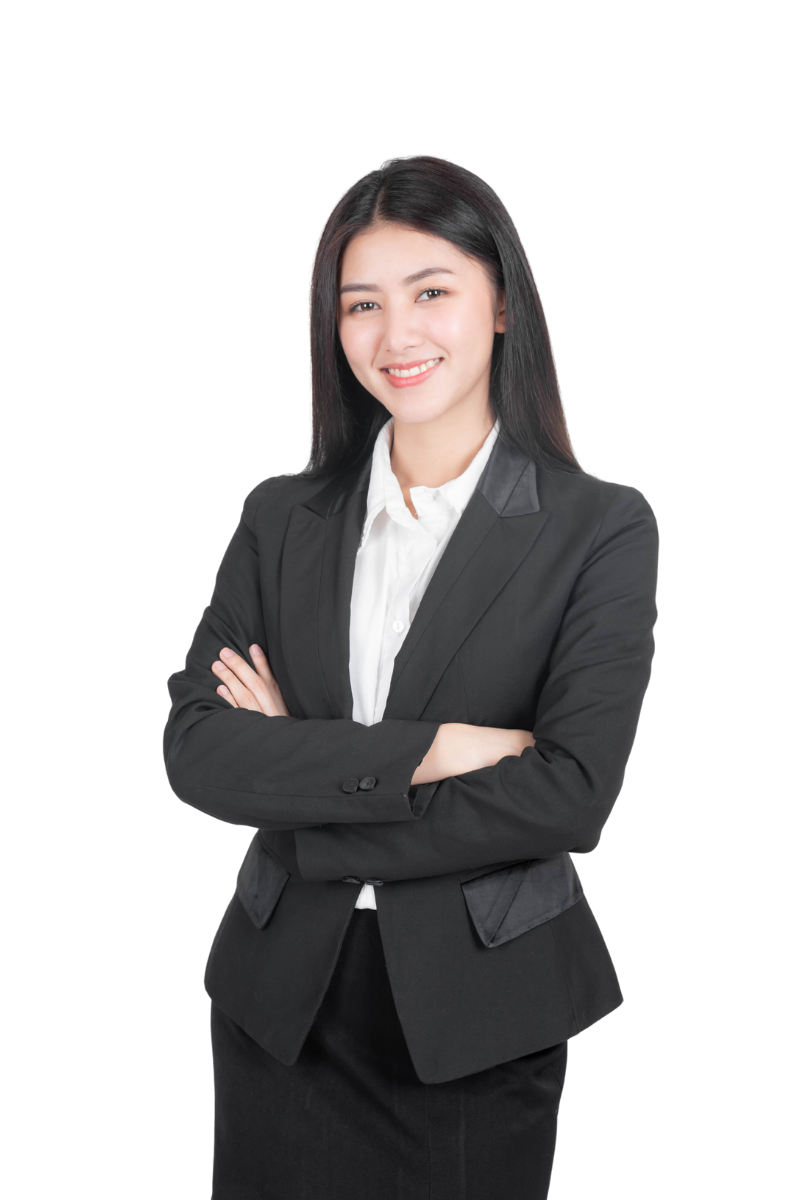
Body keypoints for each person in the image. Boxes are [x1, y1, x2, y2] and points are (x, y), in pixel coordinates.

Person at [163, 153, 659, 1199]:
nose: (395, 337)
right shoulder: (278, 518)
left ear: (498, 306)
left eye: (430, 291)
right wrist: (442, 748)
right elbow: (199, 751)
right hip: (276, 999)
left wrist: (296, 774)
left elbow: (570, 794)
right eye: (360, 304)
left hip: (478, 1012)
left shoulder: (597, 527)